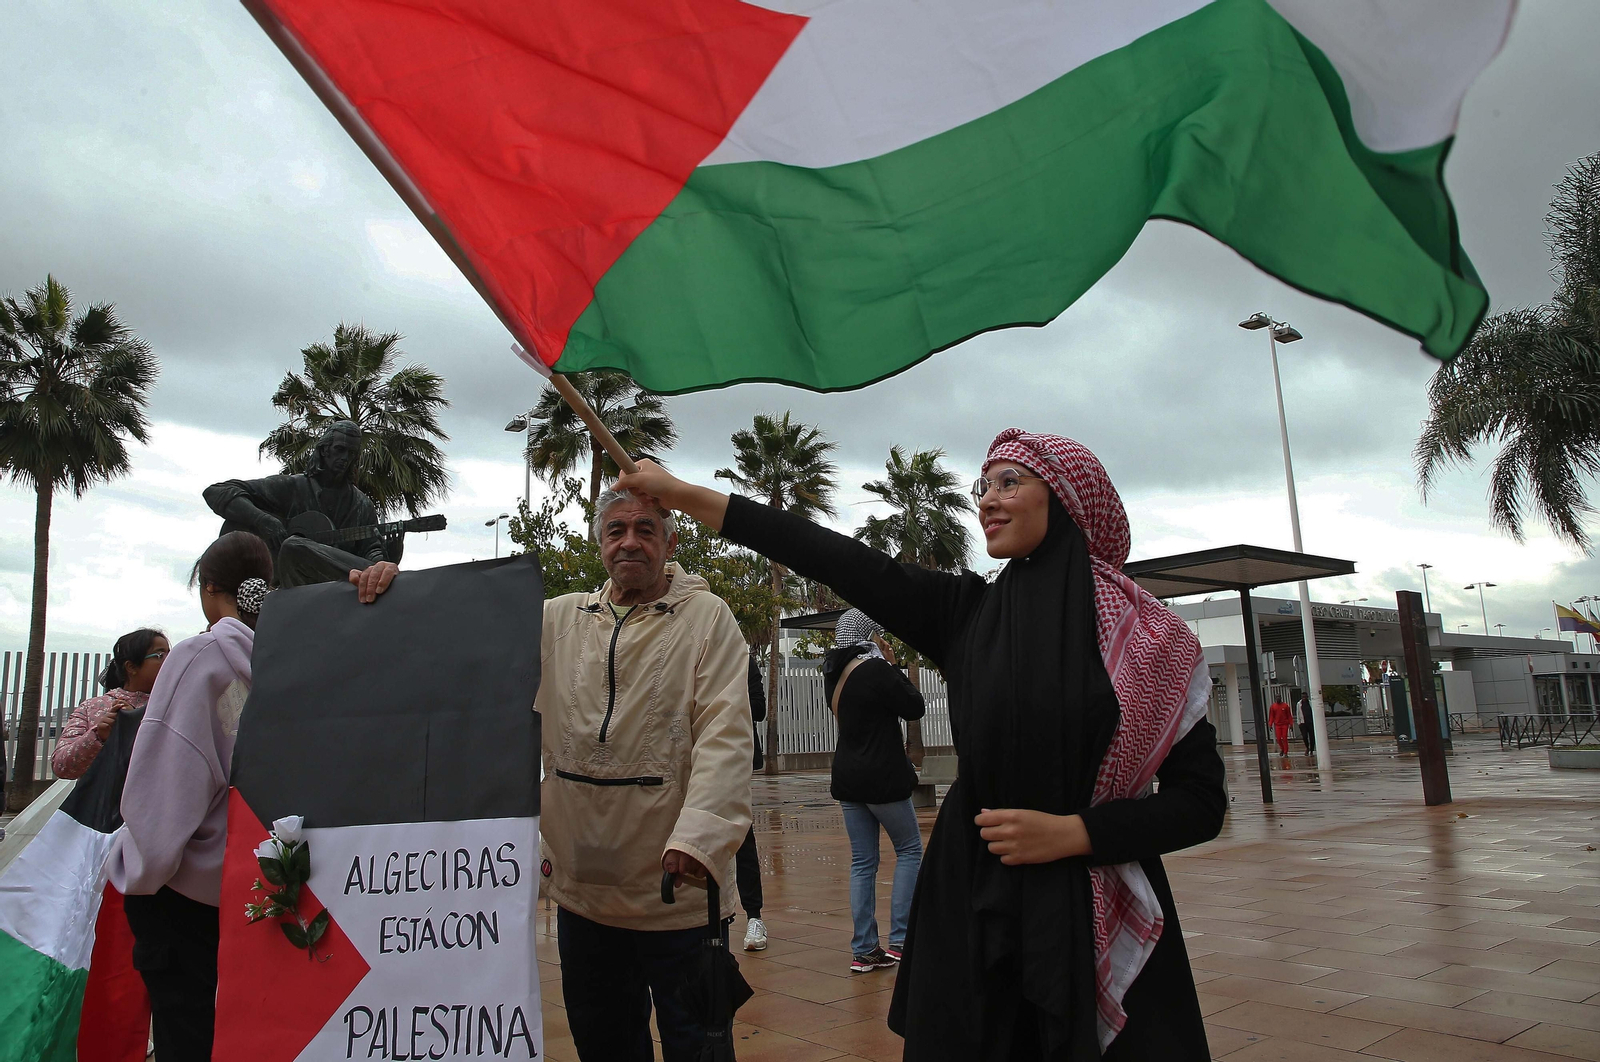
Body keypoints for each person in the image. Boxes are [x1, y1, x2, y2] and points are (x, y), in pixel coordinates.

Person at [617, 428, 1227, 1061]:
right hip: (972, 904)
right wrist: (681, 494)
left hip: (1087, 905)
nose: (987, 500)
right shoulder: (967, 613)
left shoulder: (1152, 643)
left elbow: (1202, 802)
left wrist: (1078, 833)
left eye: (1009, 482)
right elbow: (827, 554)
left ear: (1067, 499)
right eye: (983, 485)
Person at [537, 488, 754, 1062]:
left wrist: (699, 839)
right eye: (616, 530)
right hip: (583, 895)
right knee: (603, 1045)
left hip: (677, 893)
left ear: (670, 543)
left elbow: (726, 734)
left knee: (696, 1048)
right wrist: (394, 586)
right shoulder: (557, 620)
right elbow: (469, 635)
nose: (629, 542)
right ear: (599, 544)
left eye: (645, 529)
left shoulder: (708, 618)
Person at [106, 531, 272, 1062]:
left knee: (187, 1040)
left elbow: (166, 784)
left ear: (208, 588)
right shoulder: (284, 658)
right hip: (259, 888)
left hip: (184, 896)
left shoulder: (199, 658)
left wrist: (136, 869)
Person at [825, 609, 925, 973]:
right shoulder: (877, 669)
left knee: (863, 861)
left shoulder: (833, 674)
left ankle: (865, 949)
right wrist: (893, 665)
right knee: (910, 851)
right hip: (883, 777)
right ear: (869, 635)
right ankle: (901, 941)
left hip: (849, 778)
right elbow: (915, 707)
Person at [203, 420, 402, 588]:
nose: (345, 458)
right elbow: (216, 492)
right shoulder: (291, 487)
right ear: (324, 449)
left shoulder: (362, 505)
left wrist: (388, 557)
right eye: (340, 450)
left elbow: (370, 550)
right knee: (293, 546)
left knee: (297, 547)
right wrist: (263, 520)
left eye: (351, 453)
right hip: (287, 587)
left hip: (334, 590)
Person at [51, 628, 169, 779]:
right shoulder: (91, 707)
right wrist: (98, 736)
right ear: (131, 667)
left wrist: (135, 724)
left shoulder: (176, 705)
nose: (169, 661)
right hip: (104, 795)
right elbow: (61, 766)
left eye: (170, 654)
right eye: (160, 655)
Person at [738, 649, 768, 951]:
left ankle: (754, 916)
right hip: (687, 754)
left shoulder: (741, 660)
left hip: (736, 754)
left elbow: (759, 708)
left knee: (741, 834)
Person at [1295, 689, 1316, 753]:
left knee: (1312, 737)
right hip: (1303, 723)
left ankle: (1312, 749)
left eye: (1305, 697)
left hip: (1310, 722)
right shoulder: (1299, 704)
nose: (1304, 698)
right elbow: (1298, 713)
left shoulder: (1310, 703)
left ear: (1307, 697)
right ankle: (1307, 747)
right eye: (1302, 697)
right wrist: (1299, 722)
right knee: (1304, 736)